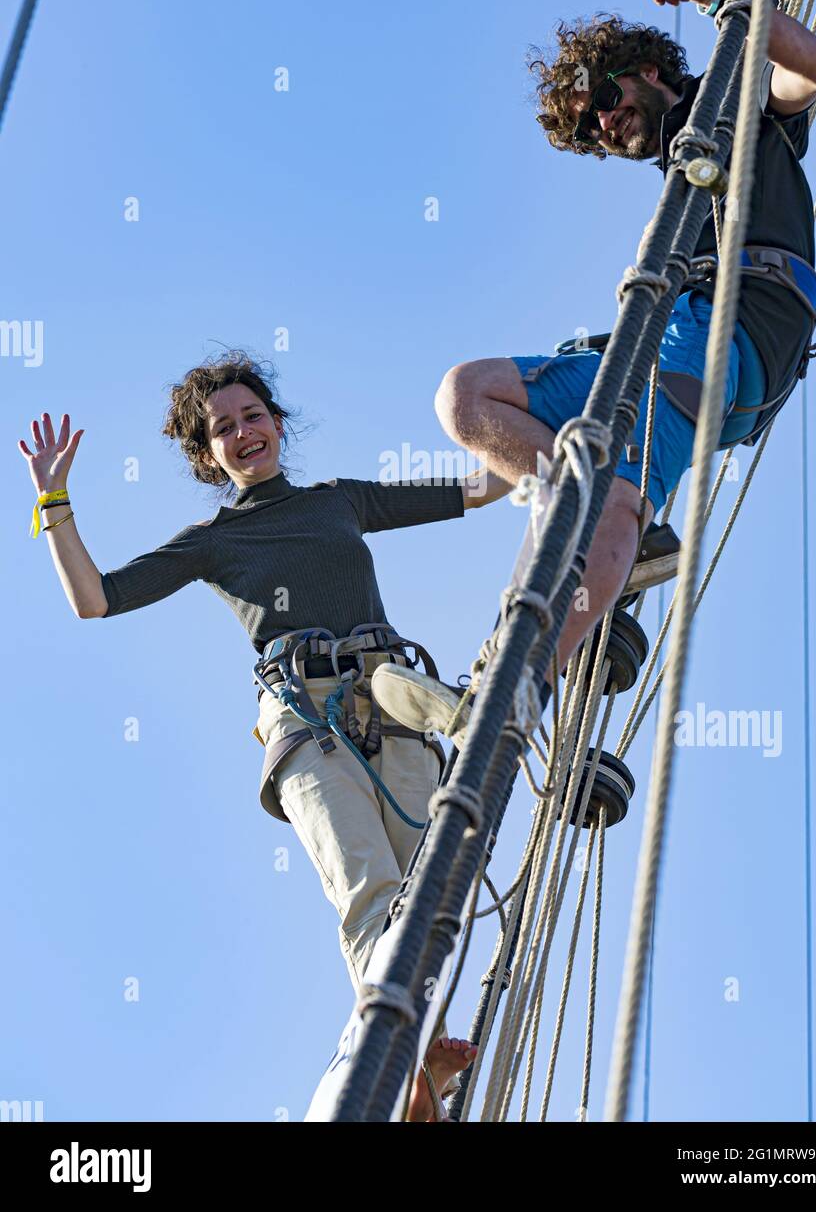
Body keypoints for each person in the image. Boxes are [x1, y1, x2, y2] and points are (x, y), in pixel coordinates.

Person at [19, 350, 514, 1121]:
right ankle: (407, 1062)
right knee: (370, 889)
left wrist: (545, 434)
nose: (243, 432)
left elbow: (481, 488)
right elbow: (95, 600)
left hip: (394, 703)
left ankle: (425, 1051)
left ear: (277, 424)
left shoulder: (338, 501)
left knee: (428, 888)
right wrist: (55, 501)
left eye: (253, 416)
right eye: (223, 429)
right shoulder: (212, 541)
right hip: (304, 722)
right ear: (208, 456)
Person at [371, 0, 816, 745]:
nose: (604, 126)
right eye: (589, 131)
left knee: (619, 489)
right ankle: (549, 569)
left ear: (649, 70)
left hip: (737, 326)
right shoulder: (677, 181)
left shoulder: (740, 102)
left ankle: (525, 683)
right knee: (468, 395)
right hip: (669, 329)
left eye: (604, 101)